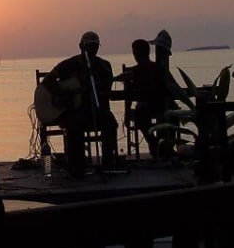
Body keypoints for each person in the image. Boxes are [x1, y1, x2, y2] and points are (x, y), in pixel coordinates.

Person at [41, 30, 118, 177]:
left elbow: (106, 91)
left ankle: (108, 164)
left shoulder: (104, 66)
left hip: (95, 110)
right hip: (73, 111)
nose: (92, 50)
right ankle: (77, 166)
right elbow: (47, 81)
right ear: (81, 46)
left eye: (95, 47)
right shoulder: (69, 65)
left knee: (110, 122)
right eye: (89, 47)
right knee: (74, 124)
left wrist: (98, 89)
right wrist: (63, 94)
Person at [124, 38, 171, 157]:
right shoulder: (133, 72)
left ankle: (164, 145)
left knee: (171, 113)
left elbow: (170, 86)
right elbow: (128, 95)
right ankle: (154, 144)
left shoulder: (157, 68)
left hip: (157, 105)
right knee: (141, 113)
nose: (136, 57)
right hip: (144, 108)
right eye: (135, 54)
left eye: (138, 54)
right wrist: (127, 113)